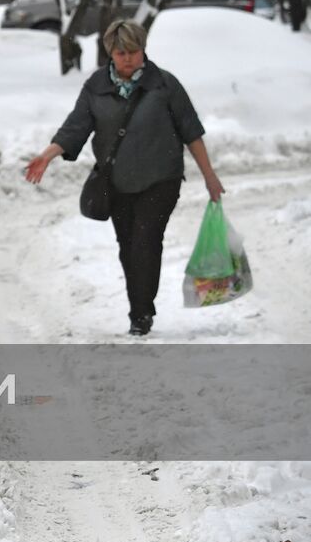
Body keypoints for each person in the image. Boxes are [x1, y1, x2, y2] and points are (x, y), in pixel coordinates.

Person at [24, 19, 224, 336]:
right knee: (127, 246)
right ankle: (140, 304)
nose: (128, 58)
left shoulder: (164, 85)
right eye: (120, 53)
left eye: (133, 51)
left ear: (143, 51)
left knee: (146, 241)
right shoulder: (96, 88)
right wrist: (47, 155)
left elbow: (191, 132)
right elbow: (75, 127)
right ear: (110, 54)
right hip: (117, 181)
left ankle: (140, 314)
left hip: (161, 179)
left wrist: (209, 176)